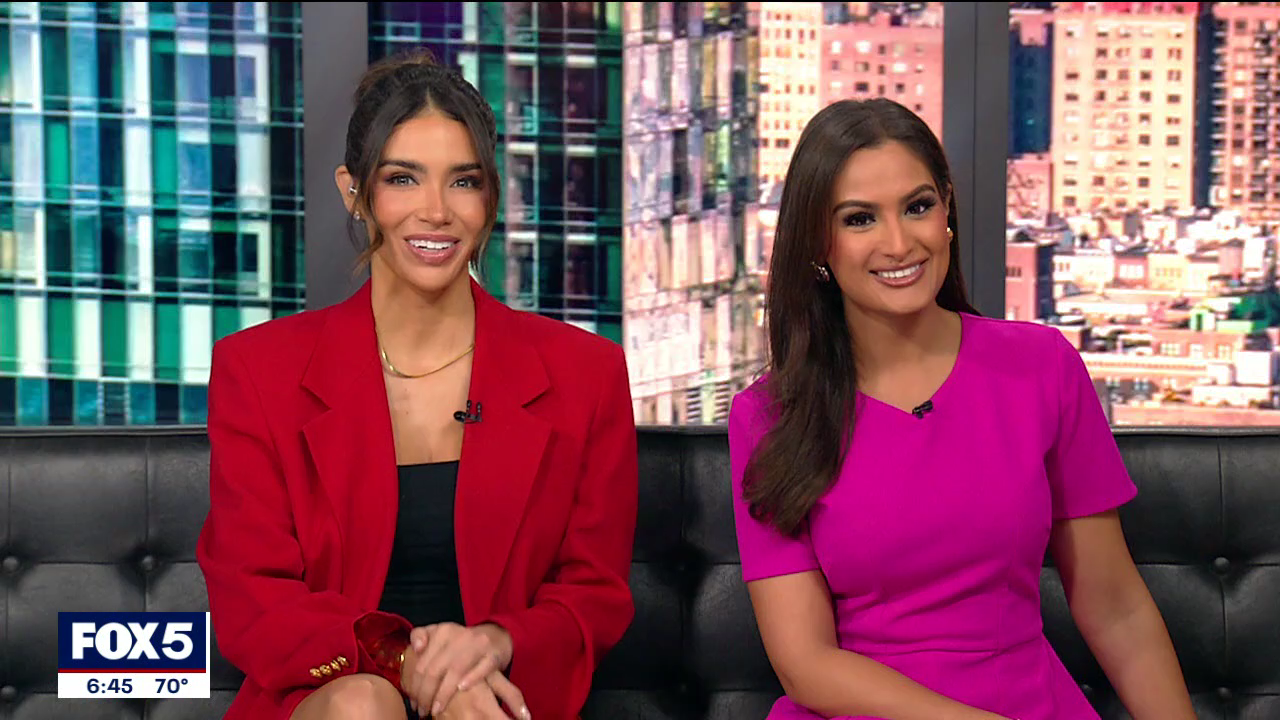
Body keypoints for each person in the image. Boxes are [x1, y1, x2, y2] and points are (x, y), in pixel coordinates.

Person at [197, 49, 639, 720]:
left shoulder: (587, 375)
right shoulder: (258, 371)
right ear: (355, 191)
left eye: (463, 181)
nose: (436, 211)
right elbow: (254, 598)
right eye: (403, 178)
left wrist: (493, 645)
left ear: (491, 196)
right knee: (364, 705)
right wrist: (409, 666)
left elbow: (592, 594)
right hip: (332, 700)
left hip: (500, 699)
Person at [728, 98, 1197, 720]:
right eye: (860, 219)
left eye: (917, 207)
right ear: (819, 241)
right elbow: (805, 663)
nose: (900, 243)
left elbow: (1115, 607)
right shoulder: (768, 415)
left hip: (1030, 701)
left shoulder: (1041, 367)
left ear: (946, 209)